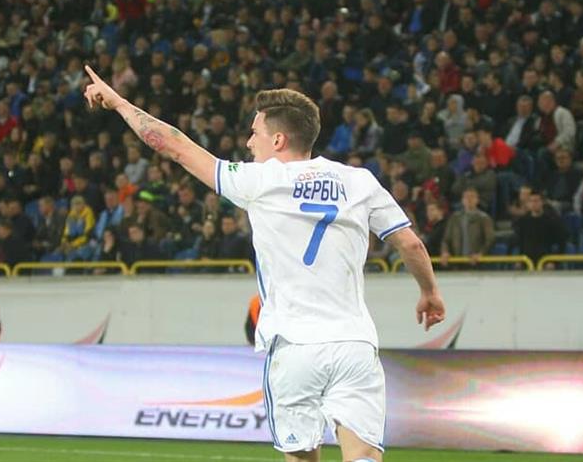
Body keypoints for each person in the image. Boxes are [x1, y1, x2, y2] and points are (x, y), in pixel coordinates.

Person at [83, 66, 444, 462]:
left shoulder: (260, 180)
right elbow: (410, 243)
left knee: (300, 456)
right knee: (364, 456)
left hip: (294, 346)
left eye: (254, 132)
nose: (248, 141)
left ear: (278, 139)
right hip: (353, 344)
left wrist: (119, 103)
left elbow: (176, 147)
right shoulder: (359, 181)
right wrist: (429, 292)